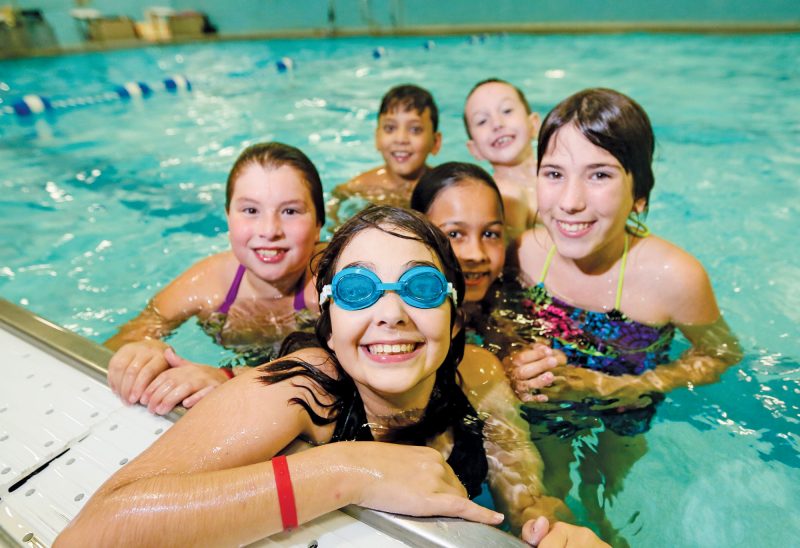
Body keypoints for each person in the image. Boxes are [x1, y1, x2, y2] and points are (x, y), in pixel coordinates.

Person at [56, 206, 605, 547]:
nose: (390, 313)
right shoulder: (301, 386)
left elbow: (525, 494)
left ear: (453, 309)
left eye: (419, 288)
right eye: (359, 291)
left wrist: (549, 527)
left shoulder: (478, 372)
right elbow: (94, 532)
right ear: (330, 320)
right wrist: (350, 469)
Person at [507, 88, 742, 545]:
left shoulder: (673, 276)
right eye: (554, 173)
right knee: (541, 506)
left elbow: (720, 354)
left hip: (626, 410)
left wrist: (630, 387)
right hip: (549, 407)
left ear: (639, 191)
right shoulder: (526, 253)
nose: (570, 201)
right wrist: (512, 362)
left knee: (607, 501)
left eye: (599, 175)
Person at [104, 142, 325, 415]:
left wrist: (229, 376)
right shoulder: (206, 283)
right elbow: (123, 340)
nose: (269, 230)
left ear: (318, 225)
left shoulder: (335, 282)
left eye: (290, 211)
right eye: (251, 211)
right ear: (228, 219)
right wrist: (145, 350)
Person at [328, 84, 442, 224]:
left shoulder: (442, 189)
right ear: (377, 138)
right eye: (390, 128)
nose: (401, 139)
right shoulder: (359, 187)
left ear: (435, 142)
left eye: (415, 129)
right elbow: (333, 212)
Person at [463, 78, 540, 240]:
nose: (497, 124)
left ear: (534, 124)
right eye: (482, 121)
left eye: (507, 111)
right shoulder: (503, 195)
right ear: (474, 149)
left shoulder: (561, 173)